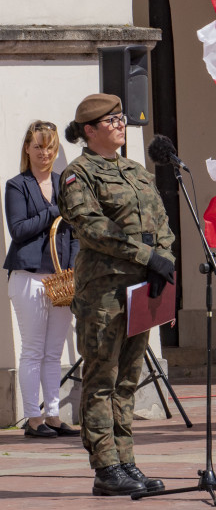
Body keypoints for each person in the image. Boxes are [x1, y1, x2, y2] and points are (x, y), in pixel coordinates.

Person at [57, 94, 176, 496]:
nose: (121, 124)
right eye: (111, 120)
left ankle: (126, 460)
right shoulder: (78, 174)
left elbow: (162, 224)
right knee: (102, 379)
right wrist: (147, 256)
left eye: (121, 118)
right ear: (89, 131)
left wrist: (163, 263)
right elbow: (93, 228)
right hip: (104, 292)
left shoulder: (136, 171)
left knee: (129, 379)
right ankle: (106, 467)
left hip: (142, 288)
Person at [4, 120, 79, 438]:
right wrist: (52, 211)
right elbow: (18, 230)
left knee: (55, 351)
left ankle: (53, 415)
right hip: (30, 277)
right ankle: (32, 418)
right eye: (38, 147)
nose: (44, 153)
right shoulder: (16, 185)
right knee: (33, 350)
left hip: (61, 278)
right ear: (27, 148)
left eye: (50, 147)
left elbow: (76, 230)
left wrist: (72, 266)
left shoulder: (66, 183)